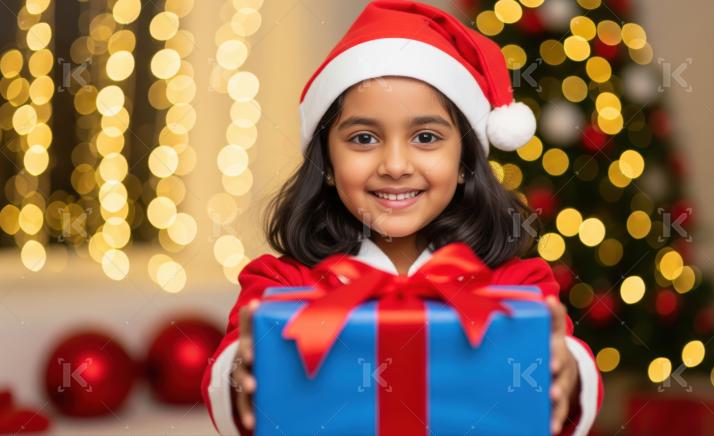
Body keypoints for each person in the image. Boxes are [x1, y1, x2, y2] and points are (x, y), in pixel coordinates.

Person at [201, 1, 603, 435]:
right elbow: (228, 382)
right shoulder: (278, 284)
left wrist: (568, 370)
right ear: (328, 164)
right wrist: (242, 371)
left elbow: (563, 381)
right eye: (364, 138)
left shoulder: (518, 284)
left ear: (465, 161)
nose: (395, 165)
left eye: (426, 137)